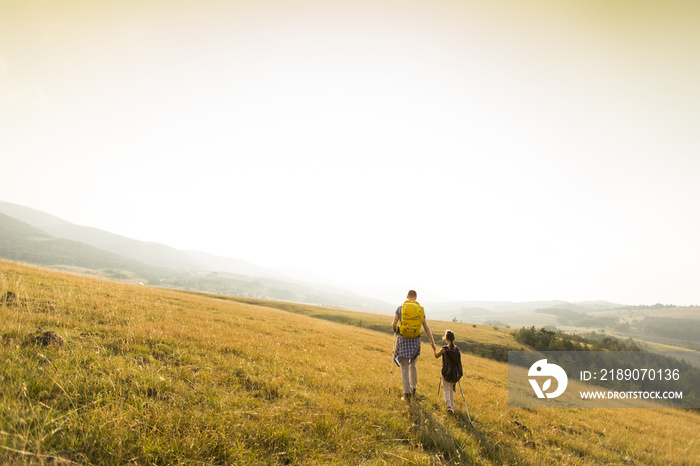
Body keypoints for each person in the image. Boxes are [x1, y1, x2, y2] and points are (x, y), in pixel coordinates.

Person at [391, 290, 437, 402]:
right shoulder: (420, 310)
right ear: (415, 298)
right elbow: (426, 327)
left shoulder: (400, 308)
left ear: (407, 297)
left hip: (403, 339)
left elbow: (393, 324)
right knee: (413, 366)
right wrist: (432, 342)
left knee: (404, 368)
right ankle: (414, 389)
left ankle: (407, 394)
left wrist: (397, 330)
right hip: (416, 340)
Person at [434, 329, 462, 414]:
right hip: (454, 373)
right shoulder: (457, 350)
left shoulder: (444, 349)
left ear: (446, 338)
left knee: (446, 388)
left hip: (446, 372)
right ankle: (452, 406)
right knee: (451, 389)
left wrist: (433, 349)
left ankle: (449, 406)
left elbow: (436, 356)